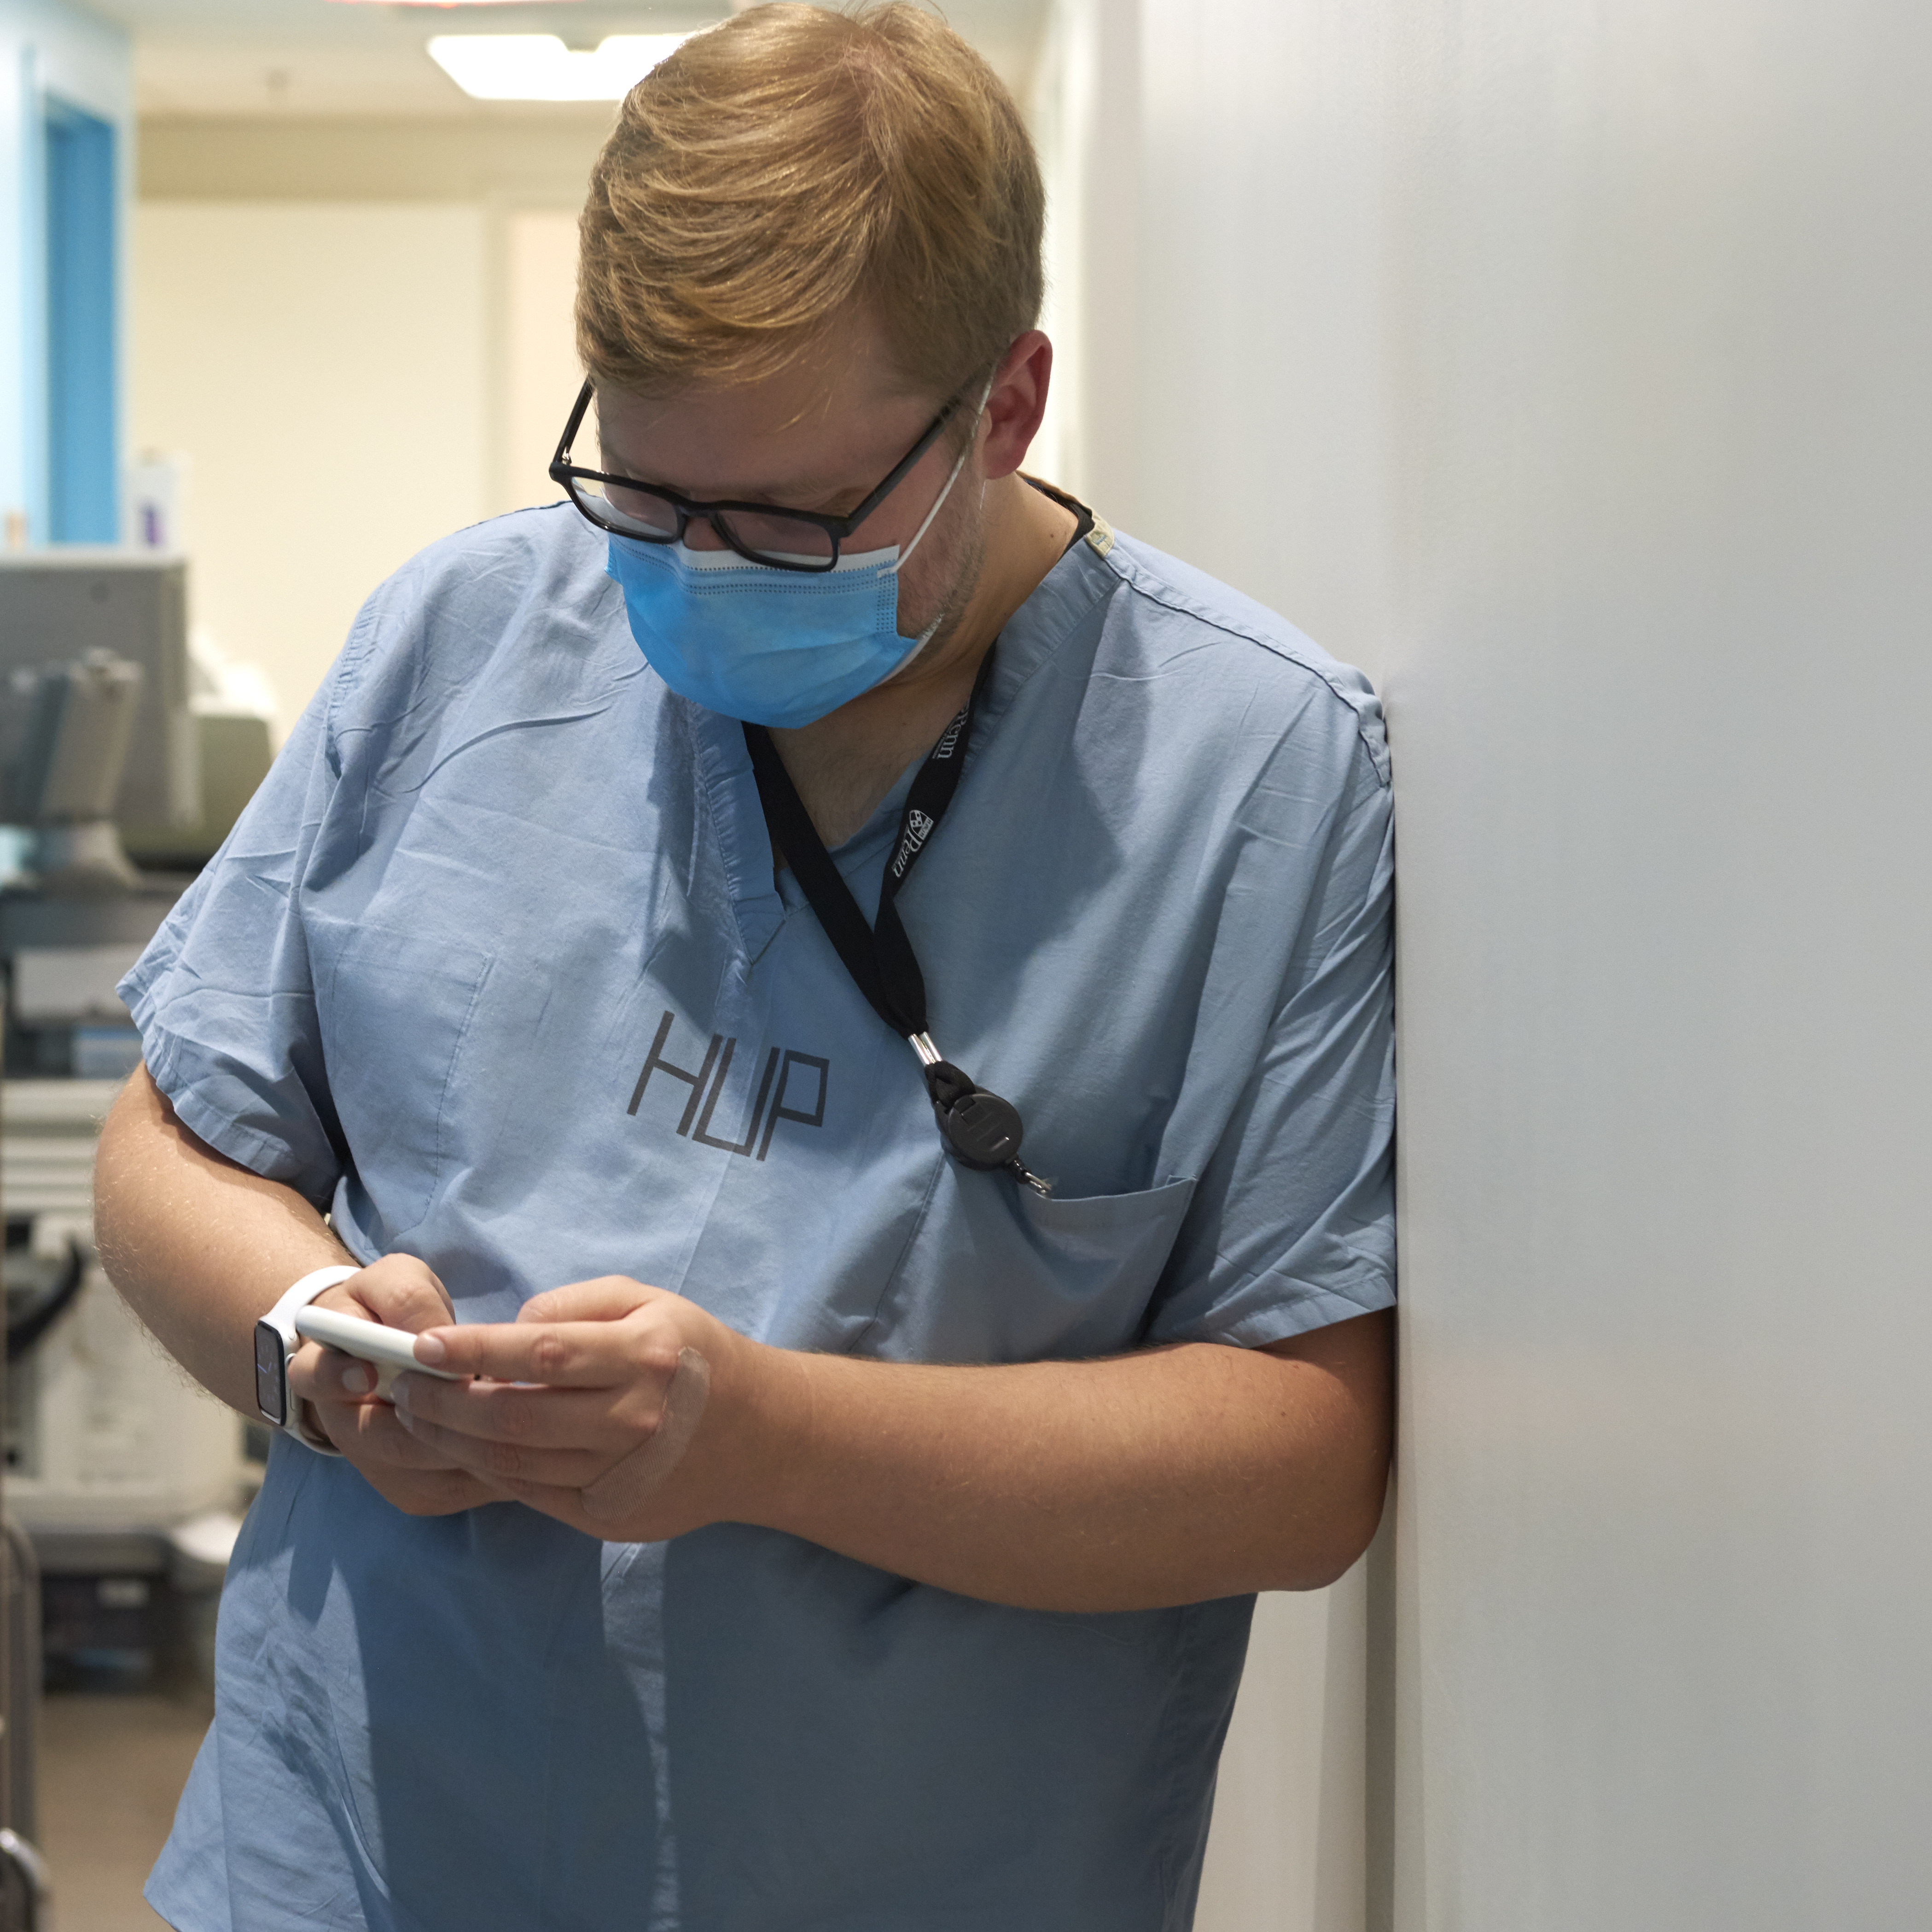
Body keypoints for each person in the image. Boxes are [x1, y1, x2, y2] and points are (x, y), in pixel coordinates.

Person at [94, 5, 1396, 1927]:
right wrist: (308, 1347)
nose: (691, 569)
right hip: (348, 1848)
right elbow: (165, 1143)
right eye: (640, 490)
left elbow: (1302, 1455)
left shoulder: (1250, 769)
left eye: (786, 519)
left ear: (1002, 406)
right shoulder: (465, 639)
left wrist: (762, 1434)